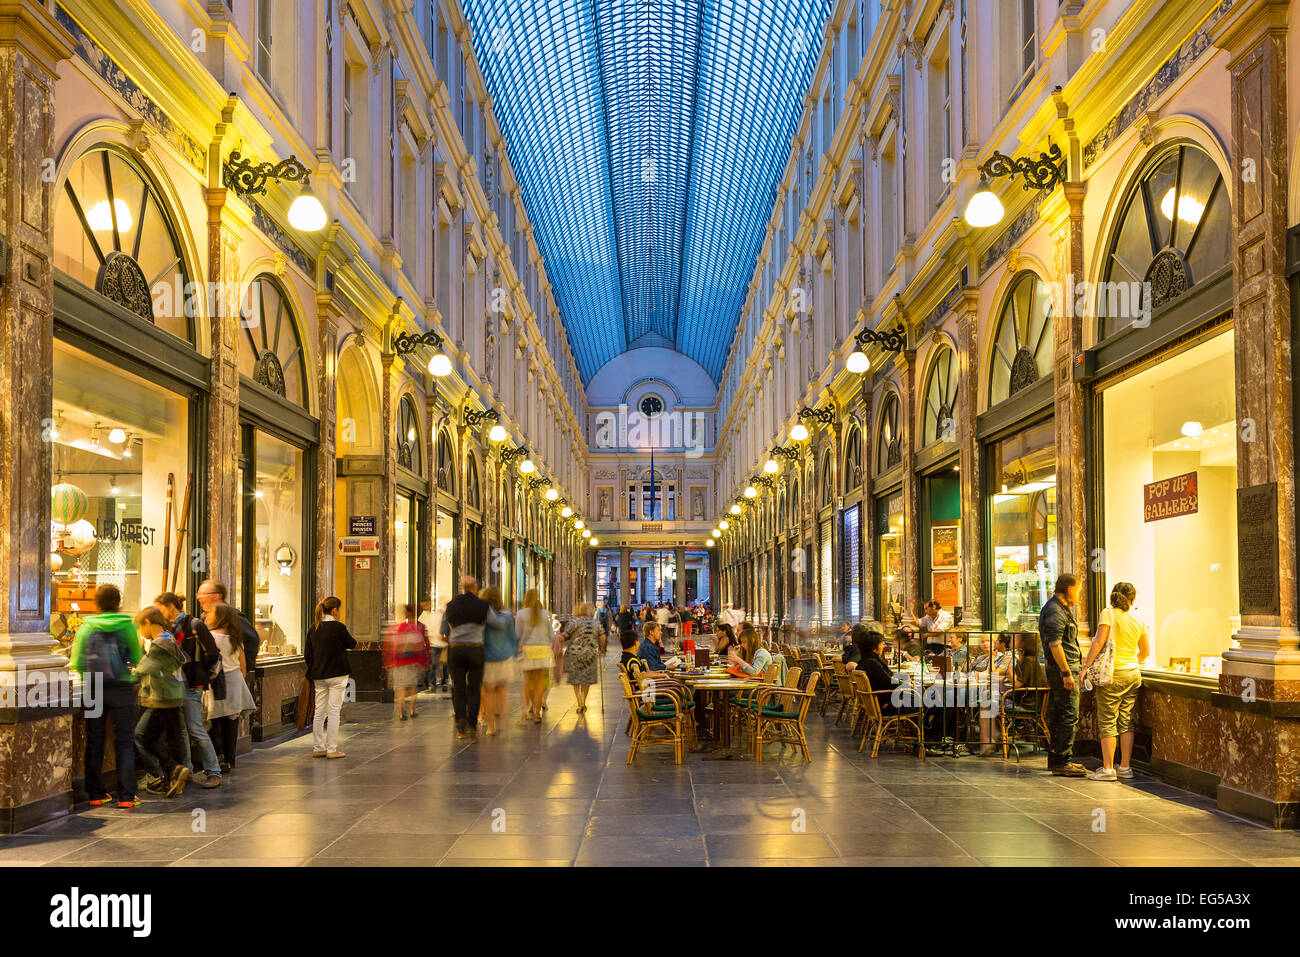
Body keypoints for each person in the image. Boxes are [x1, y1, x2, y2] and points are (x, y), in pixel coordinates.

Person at [73, 584, 142, 810]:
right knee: (124, 742)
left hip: (94, 689)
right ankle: (126, 796)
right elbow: (136, 656)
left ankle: (96, 794)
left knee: (95, 741)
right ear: (118, 601)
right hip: (121, 689)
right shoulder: (127, 626)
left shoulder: (86, 627)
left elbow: (77, 662)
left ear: (97, 603)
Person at [1081, 582, 1150, 781]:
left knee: (1107, 720)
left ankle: (1108, 769)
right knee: (1126, 720)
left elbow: (1099, 641)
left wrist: (1086, 666)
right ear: (1132, 599)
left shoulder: (1108, 613)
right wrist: (1132, 662)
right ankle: (1126, 767)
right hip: (1133, 674)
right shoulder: (1138, 618)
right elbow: (1145, 652)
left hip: (1113, 675)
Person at [154, 592, 222, 788]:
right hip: (174, 684)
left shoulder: (194, 625)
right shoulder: (167, 628)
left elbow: (212, 653)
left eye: (160, 608)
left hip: (191, 683)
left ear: (170, 607)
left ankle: (213, 772)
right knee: (181, 729)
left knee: (195, 728)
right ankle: (187, 769)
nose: (159, 613)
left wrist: (197, 672)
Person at [132, 606, 191, 797]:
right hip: (171, 695)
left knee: (144, 736)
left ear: (147, 622)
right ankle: (172, 776)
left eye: (141, 628)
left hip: (162, 697)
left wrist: (128, 674)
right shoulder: (168, 639)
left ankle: (172, 770)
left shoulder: (159, 645)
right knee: (168, 737)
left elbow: (143, 670)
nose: (141, 633)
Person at [441, 576, 504, 738]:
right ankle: (472, 725)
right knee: (475, 688)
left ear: (463, 587)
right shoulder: (482, 605)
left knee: (458, 687)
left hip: (456, 650)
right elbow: (496, 624)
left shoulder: (451, 605)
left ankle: (460, 724)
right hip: (475, 649)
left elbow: (443, 631)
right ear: (475, 588)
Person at [1039, 573, 1086, 777]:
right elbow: (1055, 644)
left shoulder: (1059, 609)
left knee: (1063, 714)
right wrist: (1066, 673)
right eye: (1078, 590)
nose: (1079, 594)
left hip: (1064, 669)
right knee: (1068, 715)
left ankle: (1059, 759)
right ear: (1069, 589)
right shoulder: (1055, 610)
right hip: (1062, 671)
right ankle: (1061, 761)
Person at [202, 602, 258, 770]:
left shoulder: (210, 637)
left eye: (210, 613)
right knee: (231, 723)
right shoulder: (236, 639)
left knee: (214, 722)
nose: (206, 616)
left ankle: (216, 758)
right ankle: (230, 759)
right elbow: (243, 666)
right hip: (235, 682)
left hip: (216, 682)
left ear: (219, 618)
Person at [305, 596, 356, 758]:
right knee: (334, 711)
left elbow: (308, 654)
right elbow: (352, 643)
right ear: (334, 610)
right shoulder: (338, 627)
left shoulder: (314, 628)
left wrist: (314, 668)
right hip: (337, 674)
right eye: (339, 609)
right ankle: (332, 749)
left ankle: (318, 747)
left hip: (319, 675)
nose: (340, 612)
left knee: (319, 712)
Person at [196, 580, 260, 674]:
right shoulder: (203, 618)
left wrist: (241, 667)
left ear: (217, 596)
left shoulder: (233, 617)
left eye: (204, 594)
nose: (199, 597)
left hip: (229, 676)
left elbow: (252, 640)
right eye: (198, 594)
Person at [479, 586, 517, 736]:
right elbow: (512, 638)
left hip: (487, 658)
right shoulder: (507, 617)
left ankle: (491, 727)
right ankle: (503, 724)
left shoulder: (482, 616)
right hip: (505, 657)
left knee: (488, 692)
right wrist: (514, 654)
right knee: (502, 691)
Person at [385, 604, 429, 721]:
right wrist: (424, 662)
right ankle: (412, 710)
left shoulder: (397, 628)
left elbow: (392, 647)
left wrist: (389, 662)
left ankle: (400, 712)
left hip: (399, 662)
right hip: (414, 662)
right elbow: (423, 646)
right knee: (413, 687)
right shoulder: (417, 628)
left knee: (400, 688)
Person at [517, 589, 554, 724]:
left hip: (527, 651)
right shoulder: (545, 615)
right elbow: (551, 635)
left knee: (528, 683)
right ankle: (537, 714)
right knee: (539, 684)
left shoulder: (521, 614)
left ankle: (528, 711)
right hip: (543, 651)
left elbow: (517, 635)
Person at [561, 601, 603, 713]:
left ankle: (579, 701)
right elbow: (603, 636)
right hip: (590, 654)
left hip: (575, 653)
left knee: (576, 679)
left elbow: (565, 636)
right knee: (586, 679)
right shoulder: (595, 623)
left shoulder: (573, 622)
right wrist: (602, 649)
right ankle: (583, 701)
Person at [419, 600, 448, 692]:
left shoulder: (438, 614)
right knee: (438, 664)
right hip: (436, 643)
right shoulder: (428, 615)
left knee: (440, 664)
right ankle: (438, 683)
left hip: (439, 643)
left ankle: (438, 683)